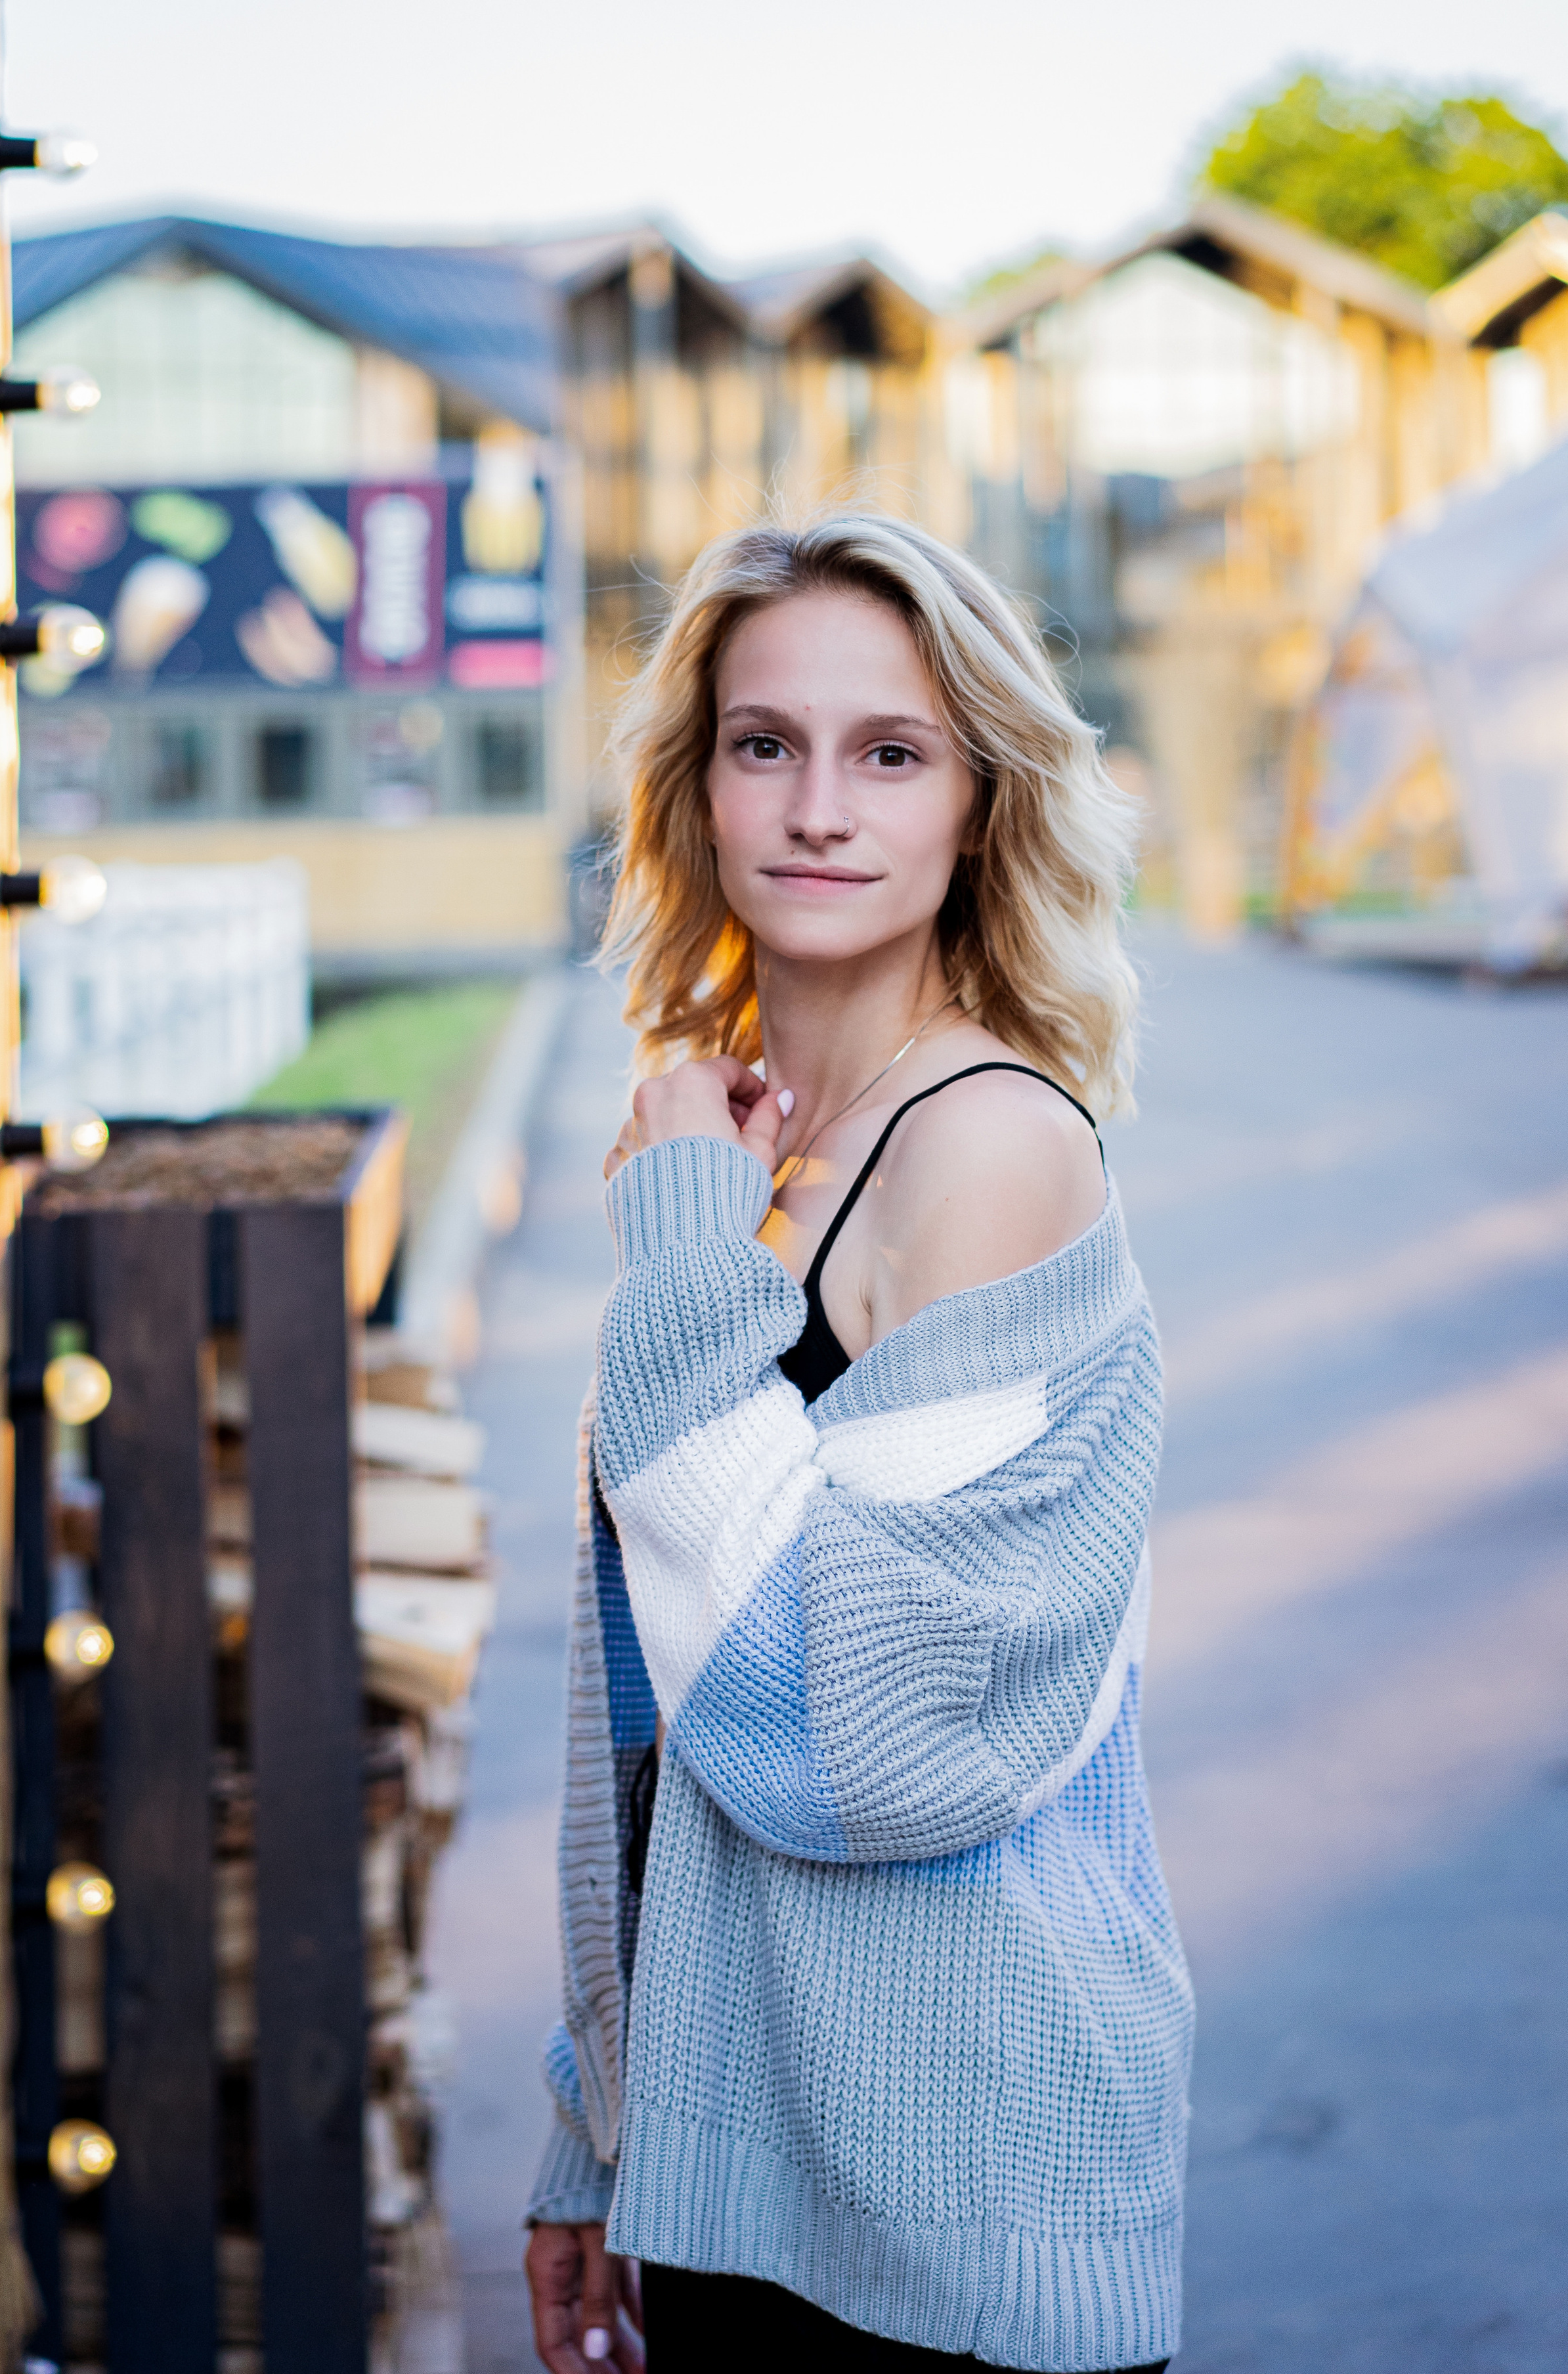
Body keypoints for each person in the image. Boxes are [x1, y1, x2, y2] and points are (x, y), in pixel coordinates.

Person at [524, 514, 1192, 2373]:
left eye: (891, 753)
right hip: (747, 2156)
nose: (819, 808)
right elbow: (659, 1694)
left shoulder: (987, 1148)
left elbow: (860, 1741)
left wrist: (682, 1240)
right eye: (767, 744)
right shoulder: (749, 1127)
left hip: (956, 2185)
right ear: (697, 786)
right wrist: (594, 2121)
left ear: (981, 804)